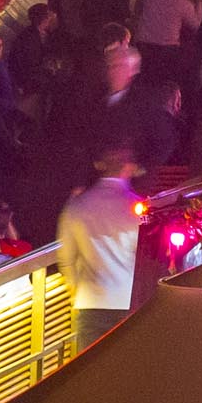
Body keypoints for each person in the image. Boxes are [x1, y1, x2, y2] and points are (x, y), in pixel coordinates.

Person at [57, 146, 143, 343]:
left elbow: (66, 259)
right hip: (129, 301)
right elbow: (147, 257)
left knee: (91, 370)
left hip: (91, 301)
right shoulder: (138, 207)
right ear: (128, 167)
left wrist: (77, 289)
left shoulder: (77, 205)